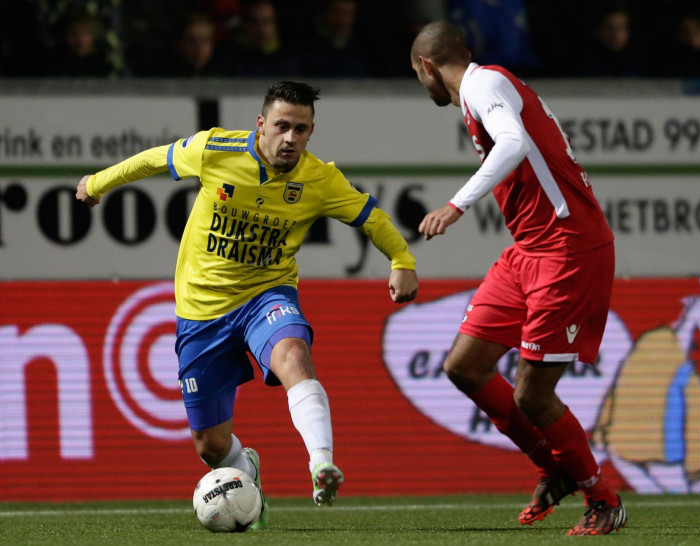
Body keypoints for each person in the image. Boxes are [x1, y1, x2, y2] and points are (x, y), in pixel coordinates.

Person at [75, 81, 419, 528]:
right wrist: (98, 183)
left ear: (311, 132)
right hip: (201, 309)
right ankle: (245, 465)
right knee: (210, 445)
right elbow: (154, 158)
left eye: (301, 129)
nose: (291, 138)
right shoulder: (216, 148)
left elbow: (370, 217)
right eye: (282, 126)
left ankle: (321, 464)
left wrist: (402, 260)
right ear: (260, 124)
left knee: (293, 354)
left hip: (267, 294)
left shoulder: (319, 178)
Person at [410, 21, 625, 536]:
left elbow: (511, 143)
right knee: (465, 366)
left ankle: (604, 499)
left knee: (533, 394)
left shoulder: (484, 84)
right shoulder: (483, 93)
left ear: (427, 67)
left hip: (567, 248)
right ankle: (556, 466)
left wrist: (456, 205)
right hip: (529, 251)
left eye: (419, 77)